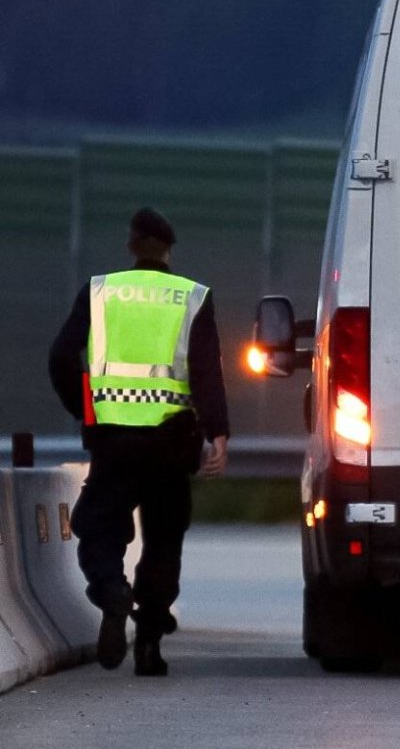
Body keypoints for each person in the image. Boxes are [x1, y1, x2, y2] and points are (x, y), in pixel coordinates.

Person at [49, 207, 230, 676]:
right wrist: (218, 435)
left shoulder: (100, 291)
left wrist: (88, 412)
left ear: (132, 244)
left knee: (99, 529)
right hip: (173, 443)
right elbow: (208, 373)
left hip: (113, 440)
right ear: (169, 248)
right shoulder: (192, 297)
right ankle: (149, 644)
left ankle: (112, 592)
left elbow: (62, 358)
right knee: (164, 542)